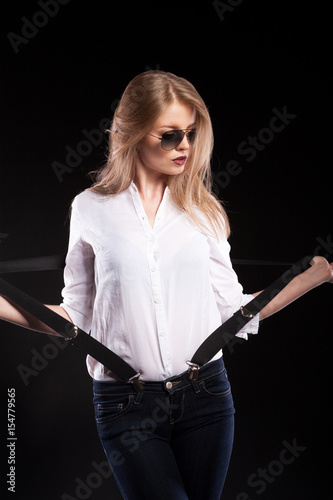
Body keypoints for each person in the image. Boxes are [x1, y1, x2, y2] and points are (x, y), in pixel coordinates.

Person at [0, 70, 332, 500]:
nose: (186, 148)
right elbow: (75, 319)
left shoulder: (204, 211)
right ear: (133, 134)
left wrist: (315, 277)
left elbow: (235, 310)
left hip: (207, 398)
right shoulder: (90, 208)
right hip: (124, 405)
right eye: (170, 135)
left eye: (191, 134)